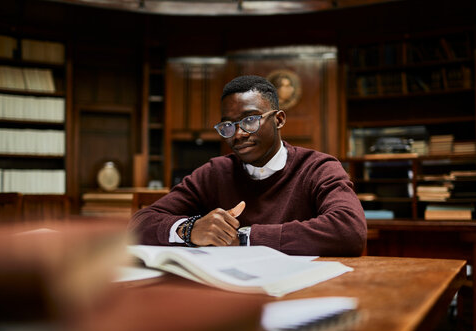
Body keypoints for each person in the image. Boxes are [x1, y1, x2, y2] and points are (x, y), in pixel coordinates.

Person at [129, 75, 366, 256]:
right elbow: (141, 223)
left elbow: (349, 230)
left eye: (250, 120)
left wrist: (244, 237)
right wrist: (190, 229)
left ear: (279, 119)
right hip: (230, 295)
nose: (238, 134)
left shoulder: (318, 168)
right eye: (228, 126)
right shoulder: (215, 173)